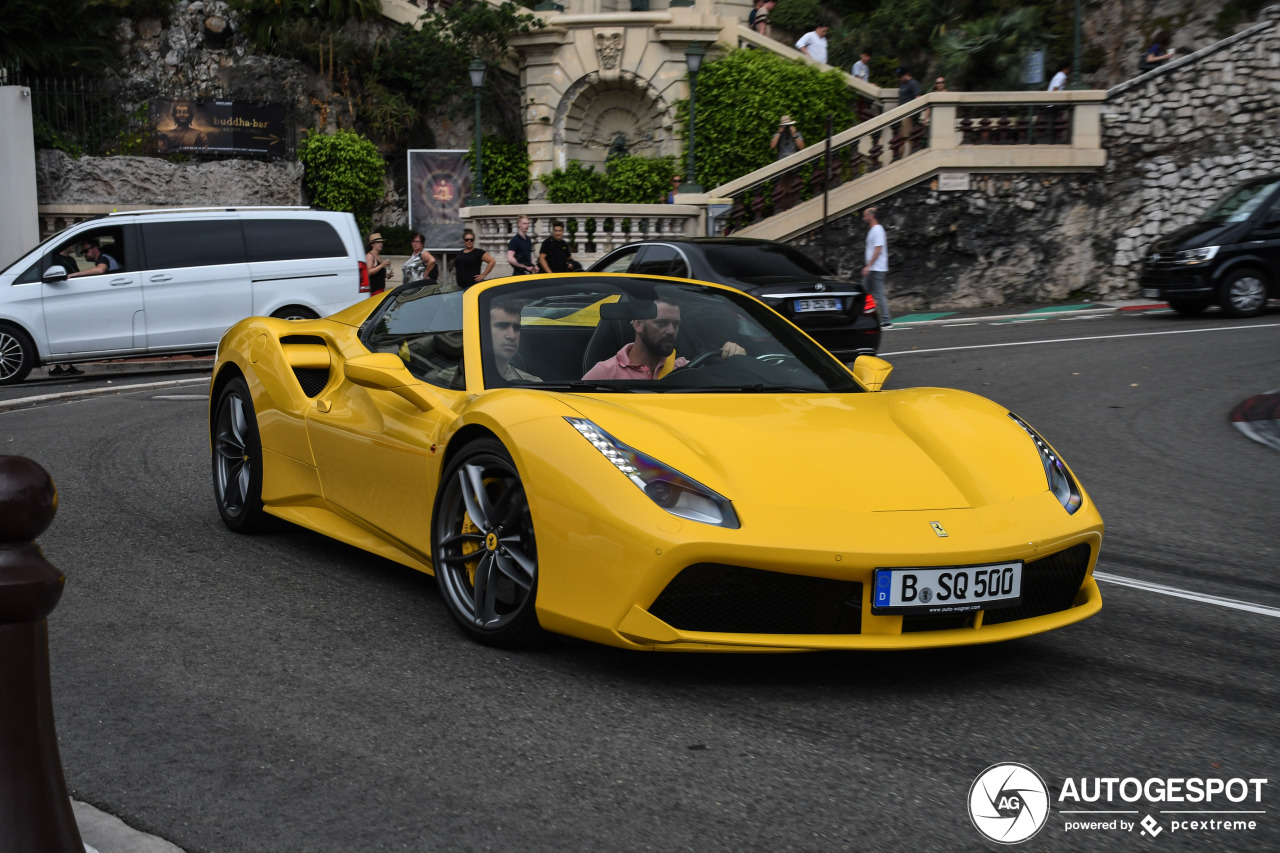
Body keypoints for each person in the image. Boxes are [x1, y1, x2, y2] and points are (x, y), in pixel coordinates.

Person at [582, 297, 746, 381]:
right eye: (661, 323)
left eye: (675, 324)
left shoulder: (684, 368)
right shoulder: (606, 372)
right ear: (638, 324)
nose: (671, 331)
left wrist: (733, 358)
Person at [488, 300, 540, 383]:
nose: (512, 336)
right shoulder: (461, 383)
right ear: (481, 329)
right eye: (502, 326)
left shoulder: (533, 386)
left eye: (516, 328)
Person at [861, 207, 891, 328]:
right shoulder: (873, 230)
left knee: (877, 294)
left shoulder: (877, 230)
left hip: (877, 268)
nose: (864, 219)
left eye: (865, 216)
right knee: (864, 291)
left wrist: (868, 266)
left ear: (871, 216)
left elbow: (878, 249)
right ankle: (864, 316)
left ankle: (886, 320)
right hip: (873, 268)